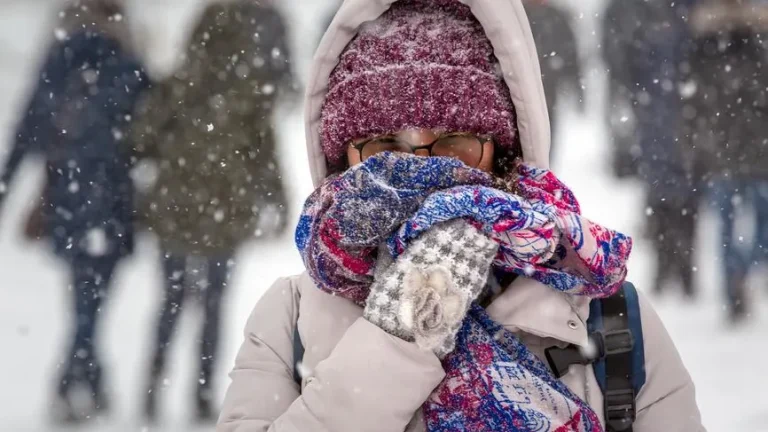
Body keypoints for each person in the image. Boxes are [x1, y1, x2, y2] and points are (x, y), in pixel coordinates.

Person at [217, 0, 705, 431]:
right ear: (341, 160)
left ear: (504, 156)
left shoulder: (609, 316)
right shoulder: (291, 318)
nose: (424, 172)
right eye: (384, 147)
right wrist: (401, 335)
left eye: (454, 144)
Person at [129, 0, 296, 422]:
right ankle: (201, 394)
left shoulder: (179, 83)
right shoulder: (249, 90)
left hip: (175, 208)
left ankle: (152, 388)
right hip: (226, 209)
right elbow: (266, 156)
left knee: (170, 301)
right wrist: (278, 202)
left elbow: (140, 139)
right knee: (214, 304)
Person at [0, 0, 148, 422]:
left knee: (84, 298)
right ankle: (74, 384)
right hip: (113, 199)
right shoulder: (127, 59)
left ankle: (87, 381)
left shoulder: (60, 55)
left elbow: (28, 126)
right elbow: (151, 130)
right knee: (94, 298)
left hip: (68, 196)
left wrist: (5, 186)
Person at [603, 0, 697, 298]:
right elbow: (617, 60)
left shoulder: (681, 11)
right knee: (660, 191)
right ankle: (668, 262)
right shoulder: (632, 11)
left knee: (686, 192)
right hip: (656, 115)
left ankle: (683, 265)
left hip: (684, 116)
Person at [686, 0, 768, 322]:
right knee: (743, 220)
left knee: (731, 222)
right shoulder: (712, 39)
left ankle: (736, 279)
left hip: (728, 147)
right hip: (742, 147)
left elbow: (693, 98)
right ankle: (738, 279)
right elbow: (695, 97)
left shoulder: (705, 37)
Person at [522, 0, 583, 154]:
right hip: (519, 88)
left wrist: (576, 85)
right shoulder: (514, 15)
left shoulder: (557, 17)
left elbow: (571, 55)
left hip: (547, 88)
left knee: (546, 136)